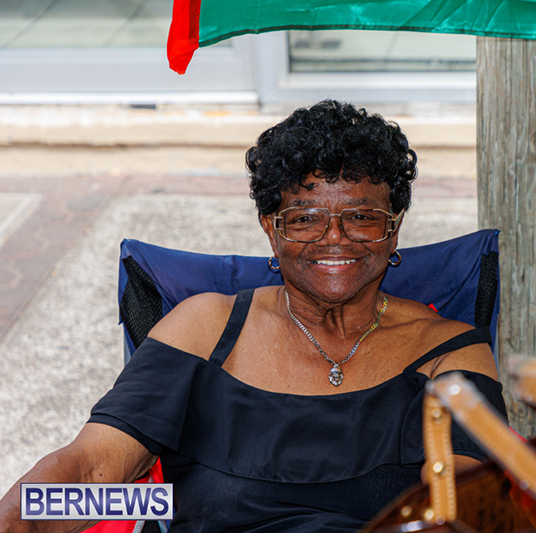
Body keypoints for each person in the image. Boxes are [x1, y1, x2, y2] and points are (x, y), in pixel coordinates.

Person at [0, 100, 507, 532]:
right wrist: (27, 513)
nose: (335, 238)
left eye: (362, 217)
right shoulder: (205, 327)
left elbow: (464, 508)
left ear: (393, 229)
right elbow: (96, 474)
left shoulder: (449, 352)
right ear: (271, 228)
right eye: (305, 219)